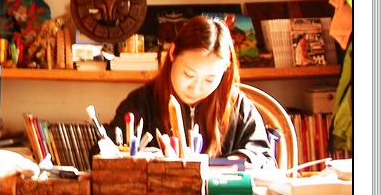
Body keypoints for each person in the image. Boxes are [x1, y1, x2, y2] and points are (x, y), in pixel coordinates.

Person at [109, 15, 275, 168]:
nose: (196, 88)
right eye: (189, 74)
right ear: (173, 53)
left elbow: (266, 160)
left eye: (210, 79)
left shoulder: (239, 107)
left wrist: (239, 160)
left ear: (226, 68)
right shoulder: (140, 102)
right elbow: (109, 154)